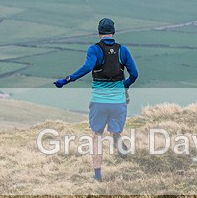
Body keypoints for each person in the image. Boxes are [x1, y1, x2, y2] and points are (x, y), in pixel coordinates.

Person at [54, 18, 138, 181]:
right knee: (115, 129)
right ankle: (115, 136)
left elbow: (87, 67)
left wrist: (67, 79)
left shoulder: (94, 49)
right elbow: (134, 74)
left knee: (97, 135)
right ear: (113, 32)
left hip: (99, 101)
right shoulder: (123, 50)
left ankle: (98, 175)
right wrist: (124, 85)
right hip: (118, 101)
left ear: (99, 32)